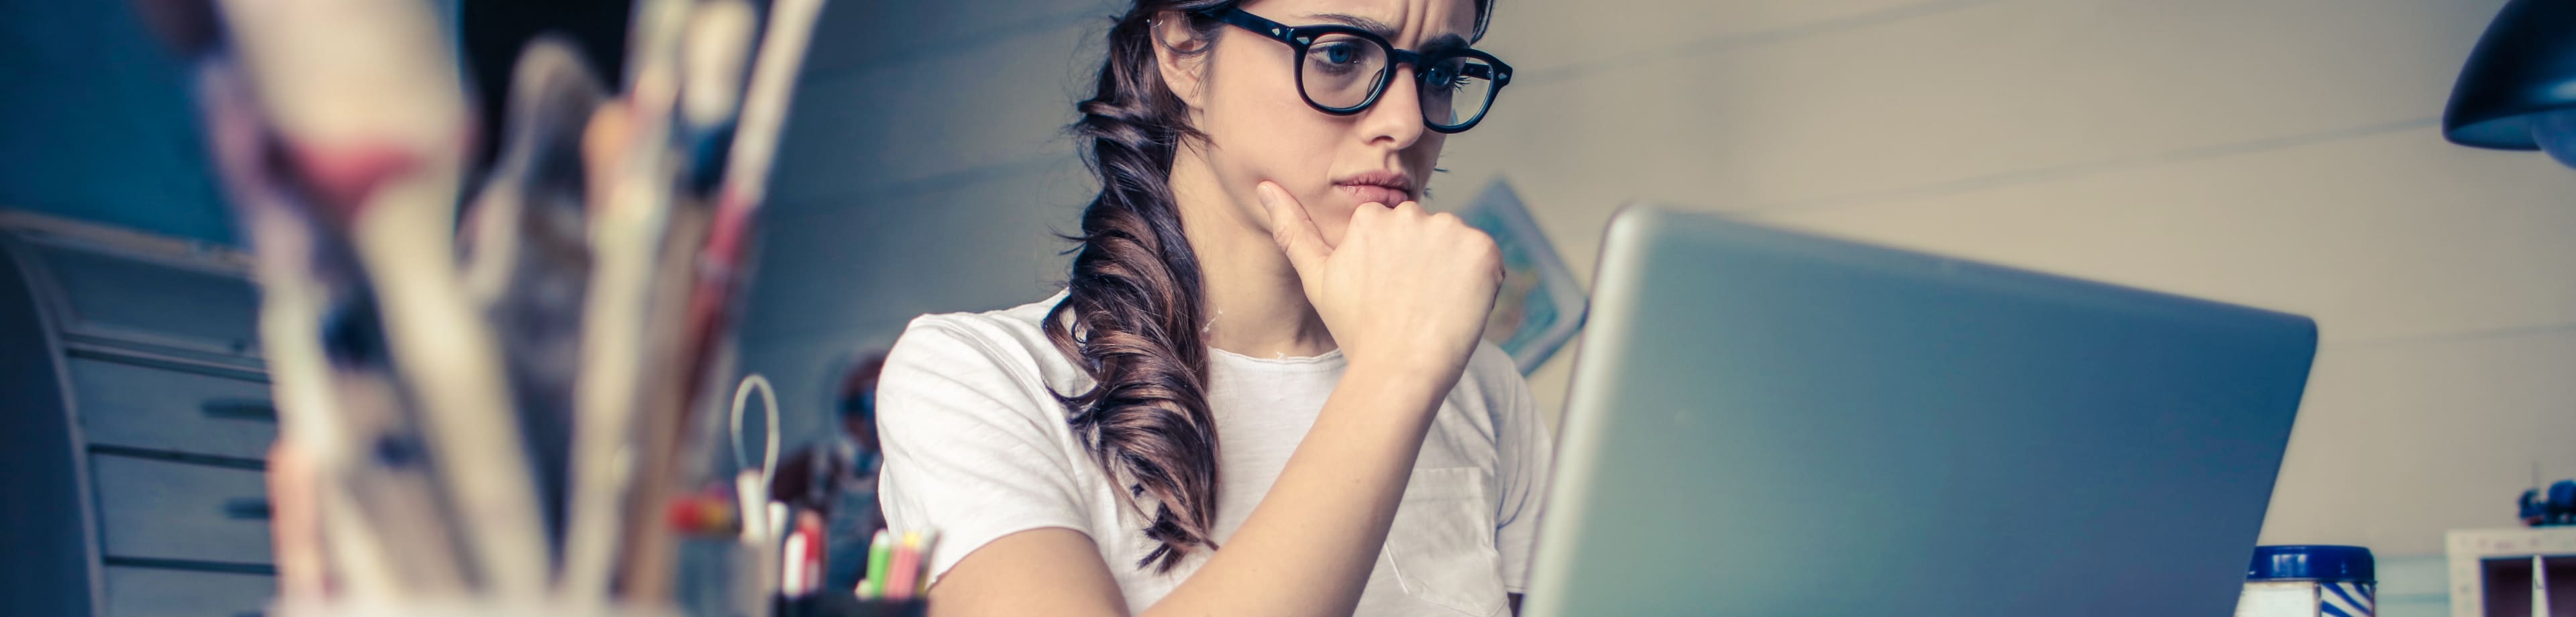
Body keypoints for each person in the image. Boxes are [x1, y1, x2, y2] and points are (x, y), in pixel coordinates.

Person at [871, 0, 1550, 615]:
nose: (1405, 123)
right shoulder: (978, 378)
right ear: (1182, 50)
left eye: (1440, 72)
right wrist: (1396, 374)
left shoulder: (1485, 392)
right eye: (1339, 54)